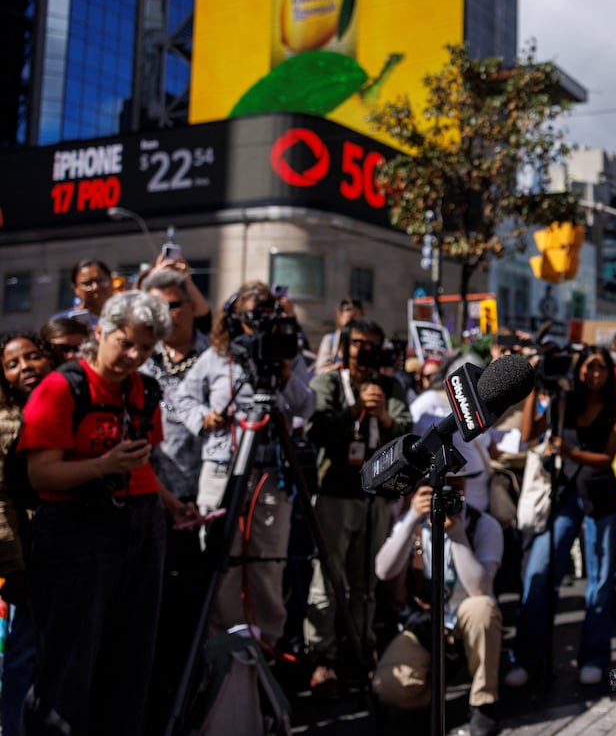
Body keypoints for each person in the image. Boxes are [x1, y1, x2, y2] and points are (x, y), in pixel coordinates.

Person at [18, 291, 194, 736]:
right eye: (125, 343)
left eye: (146, 348)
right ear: (101, 332)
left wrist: (171, 505)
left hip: (140, 529)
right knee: (69, 661)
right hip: (76, 534)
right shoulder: (62, 387)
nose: (133, 357)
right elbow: (41, 475)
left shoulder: (144, 389)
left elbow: (143, 464)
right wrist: (104, 465)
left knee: (132, 658)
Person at [173, 282, 315, 648]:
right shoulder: (217, 355)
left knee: (268, 559)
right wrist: (204, 418)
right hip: (223, 466)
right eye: (251, 316)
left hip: (271, 471)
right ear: (234, 319)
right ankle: (221, 641)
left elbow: (306, 405)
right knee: (221, 555)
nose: (259, 324)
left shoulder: (289, 352)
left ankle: (267, 640)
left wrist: (285, 373)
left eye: (267, 314)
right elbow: (183, 398)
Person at [506, 346, 616, 689]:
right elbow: (528, 434)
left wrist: (570, 452)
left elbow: (607, 457)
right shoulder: (563, 402)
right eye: (589, 368)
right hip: (564, 497)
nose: (595, 375)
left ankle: (593, 656)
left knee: (600, 581)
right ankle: (528, 658)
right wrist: (533, 385)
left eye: (601, 368)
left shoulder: (615, 408)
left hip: (601, 498)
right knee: (539, 572)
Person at [305, 317, 411, 691]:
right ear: (345, 347)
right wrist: (352, 412)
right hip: (334, 494)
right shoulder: (328, 383)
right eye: (358, 345)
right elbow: (314, 429)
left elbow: (405, 435)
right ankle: (322, 656)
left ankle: (361, 649)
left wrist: (382, 415)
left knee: (366, 582)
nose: (364, 353)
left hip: (374, 500)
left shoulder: (391, 386)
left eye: (372, 346)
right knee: (327, 580)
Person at [137, 266, 213, 732]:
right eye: (157, 307)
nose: (167, 314)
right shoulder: (140, 359)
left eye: (174, 304)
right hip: (150, 498)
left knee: (196, 607)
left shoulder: (216, 358)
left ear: (192, 308)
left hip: (203, 501)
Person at [372, 470, 503, 736]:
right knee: (388, 686)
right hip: (429, 620)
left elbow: (479, 588)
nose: (446, 492)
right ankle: (427, 697)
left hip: (468, 617)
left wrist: (457, 533)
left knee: (482, 607)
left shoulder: (485, 525)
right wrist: (411, 517)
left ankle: (483, 702)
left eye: (454, 485)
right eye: (437, 486)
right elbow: (383, 571)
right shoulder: (415, 524)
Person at [0, 331, 55, 736]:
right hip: (33, 558)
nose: (26, 368)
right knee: (24, 652)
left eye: (33, 357)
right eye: (13, 364)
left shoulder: (66, 405)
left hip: (77, 549)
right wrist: (14, 567)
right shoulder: (6, 422)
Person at [48, 258, 113, 328]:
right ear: (76, 289)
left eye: (100, 280)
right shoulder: (62, 322)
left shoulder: (124, 316)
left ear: (111, 281)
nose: (95, 287)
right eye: (87, 283)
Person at [313, 298, 364, 373]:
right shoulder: (330, 340)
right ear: (339, 314)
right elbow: (320, 370)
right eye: (350, 319)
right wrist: (337, 367)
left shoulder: (367, 342)